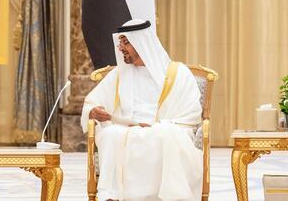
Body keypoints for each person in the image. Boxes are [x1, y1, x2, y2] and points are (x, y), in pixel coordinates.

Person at [81, 20, 202, 201]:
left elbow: (190, 115)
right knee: (111, 134)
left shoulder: (178, 73)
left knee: (164, 134)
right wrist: (93, 111)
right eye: (120, 43)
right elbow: (91, 102)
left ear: (142, 43)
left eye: (126, 42)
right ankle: (113, 197)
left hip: (164, 129)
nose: (120, 47)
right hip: (126, 131)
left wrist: (158, 125)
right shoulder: (119, 74)